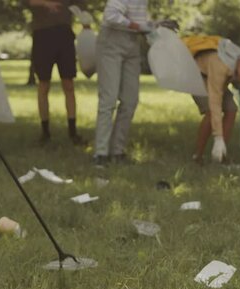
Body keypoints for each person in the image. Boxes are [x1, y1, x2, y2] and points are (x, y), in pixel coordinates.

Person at [183, 36, 240, 164]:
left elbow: (233, 76)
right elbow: (215, 102)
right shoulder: (220, 65)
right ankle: (198, 155)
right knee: (211, 112)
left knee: (231, 109)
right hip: (198, 77)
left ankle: (222, 155)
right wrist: (217, 137)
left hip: (217, 80)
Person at [92, 0, 151, 167]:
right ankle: (101, 154)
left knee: (130, 100)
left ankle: (117, 152)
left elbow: (137, 21)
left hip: (132, 43)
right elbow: (110, 15)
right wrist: (136, 26)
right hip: (112, 40)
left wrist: (154, 26)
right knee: (108, 99)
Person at [22, 0, 87, 145]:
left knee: (68, 85)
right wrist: (45, 4)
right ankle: (45, 132)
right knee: (44, 84)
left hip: (64, 35)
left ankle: (73, 132)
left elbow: (80, 6)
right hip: (42, 35)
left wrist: (85, 21)